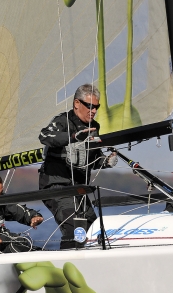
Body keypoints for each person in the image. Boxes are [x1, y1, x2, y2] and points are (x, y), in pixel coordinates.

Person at [38, 83, 117, 250]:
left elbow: (93, 159)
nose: (94, 111)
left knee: (94, 229)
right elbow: (44, 135)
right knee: (75, 229)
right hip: (57, 186)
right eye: (89, 106)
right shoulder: (62, 121)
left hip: (78, 189)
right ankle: (68, 266)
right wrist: (73, 137)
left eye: (97, 107)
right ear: (76, 104)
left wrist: (106, 162)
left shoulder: (95, 127)